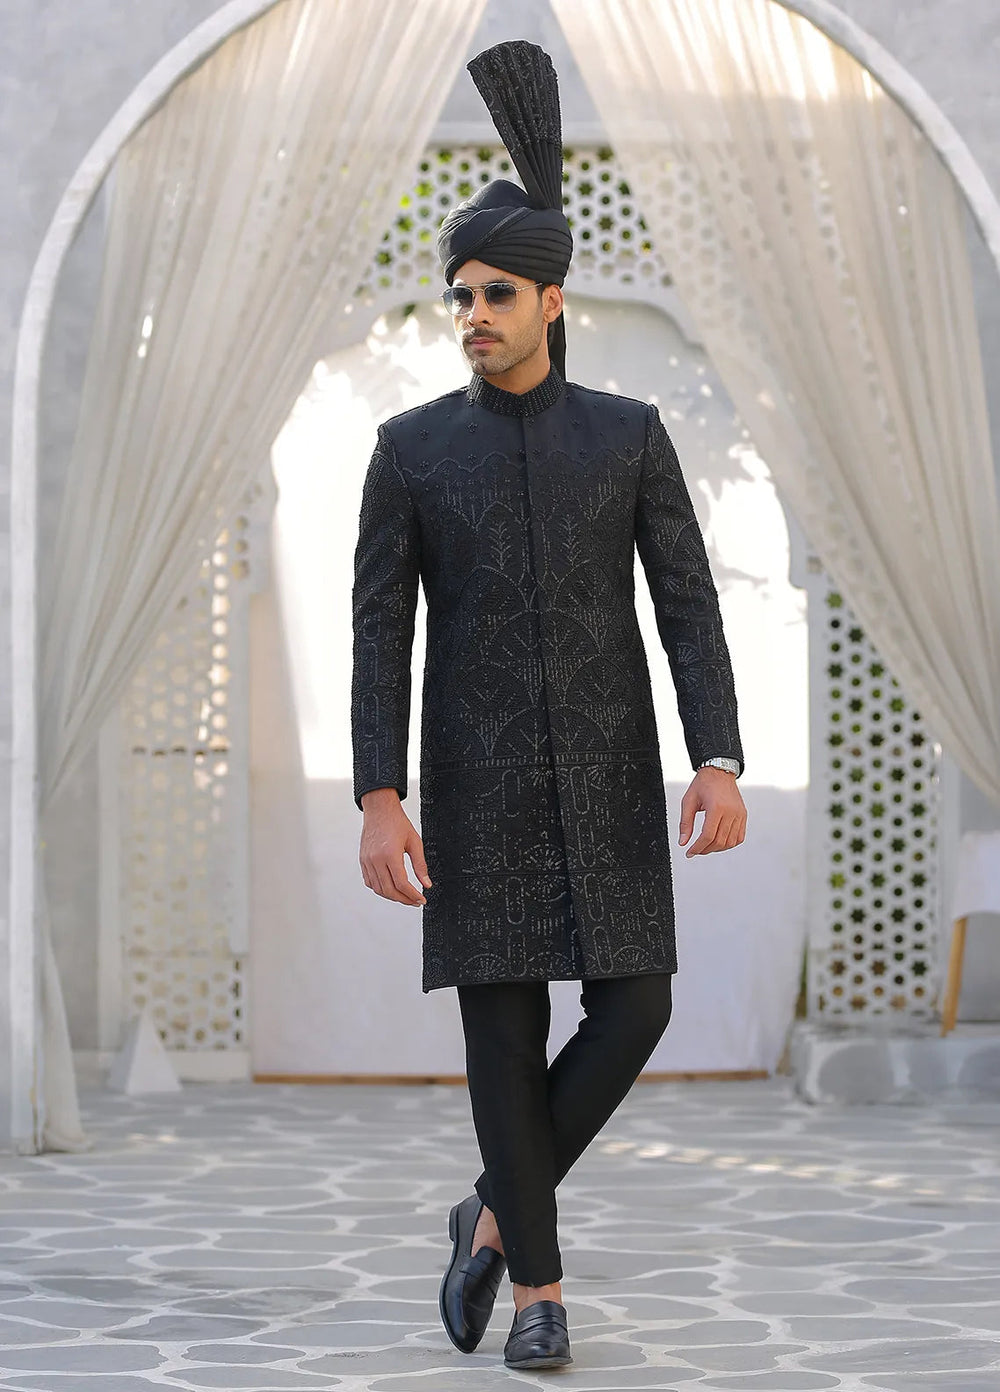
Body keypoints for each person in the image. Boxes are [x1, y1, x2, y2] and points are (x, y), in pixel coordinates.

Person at [351, 39, 746, 1372]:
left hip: (613, 775)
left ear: (551, 300)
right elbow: (380, 636)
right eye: (460, 293)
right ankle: (538, 1294)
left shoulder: (628, 435)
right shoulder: (410, 452)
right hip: (476, 789)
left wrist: (718, 755)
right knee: (504, 1036)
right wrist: (379, 794)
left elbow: (687, 605)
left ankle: (488, 1213)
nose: (472, 312)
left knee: (636, 1011)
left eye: (496, 293)